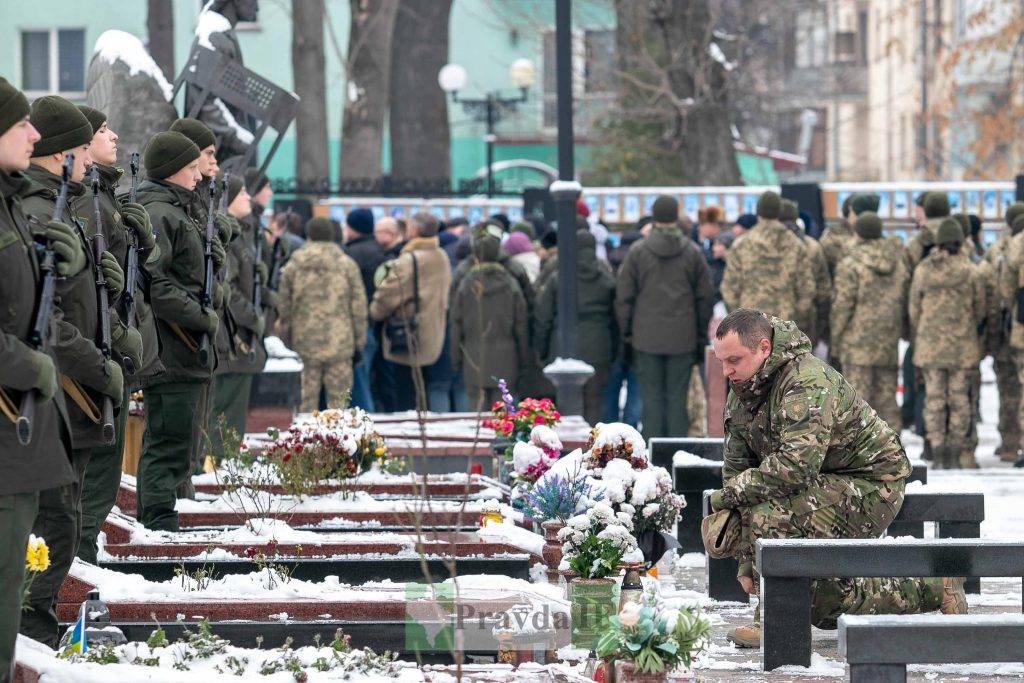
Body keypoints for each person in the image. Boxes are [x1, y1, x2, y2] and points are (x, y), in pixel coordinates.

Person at [708, 308, 966, 649]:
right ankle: (936, 588)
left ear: (764, 348)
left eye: (734, 361)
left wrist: (725, 498)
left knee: (772, 512)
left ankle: (771, 619)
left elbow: (795, 467)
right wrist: (746, 557)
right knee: (823, 602)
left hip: (872, 482)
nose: (727, 371)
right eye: (721, 361)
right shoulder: (743, 391)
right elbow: (737, 471)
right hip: (817, 483)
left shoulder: (806, 381)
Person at [18, 96, 125, 646]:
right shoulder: (39, 214)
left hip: (66, 393)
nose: (89, 156)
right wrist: (100, 366)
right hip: (52, 394)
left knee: (64, 515)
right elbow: (46, 319)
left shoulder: (61, 205)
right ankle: (30, 643)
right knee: (53, 522)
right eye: (82, 146)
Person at [0, 77, 78, 677]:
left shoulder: (10, 201)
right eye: (21, 122)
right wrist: (32, 365)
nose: (34, 133)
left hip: (18, 435)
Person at [75, 105, 162, 565]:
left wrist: (142, 239)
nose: (114, 135)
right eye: (103, 130)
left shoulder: (105, 196)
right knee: (95, 469)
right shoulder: (87, 201)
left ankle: (83, 555)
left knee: (104, 470)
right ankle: (80, 562)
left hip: (114, 341)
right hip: (98, 347)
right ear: (80, 144)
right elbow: (90, 286)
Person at [134, 131, 219, 531]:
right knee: (167, 441)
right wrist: (201, 317)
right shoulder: (161, 213)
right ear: (171, 171)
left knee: (179, 441)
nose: (197, 175)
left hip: (184, 347)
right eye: (190, 168)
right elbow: (156, 284)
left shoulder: (177, 208)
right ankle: (157, 521)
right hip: (171, 346)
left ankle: (163, 515)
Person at [616, 195, 714, 438]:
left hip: (645, 337)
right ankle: (676, 456)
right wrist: (699, 335)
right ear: (675, 216)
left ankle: (653, 457)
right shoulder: (692, 252)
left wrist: (627, 333)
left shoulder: (638, 252)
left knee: (651, 400)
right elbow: (705, 297)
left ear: (655, 216)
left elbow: (624, 297)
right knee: (677, 399)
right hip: (683, 337)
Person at [910, 219, 986, 469]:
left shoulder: (924, 270)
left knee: (934, 399)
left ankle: (938, 450)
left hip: (930, 348)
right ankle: (956, 451)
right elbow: (981, 309)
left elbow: (914, 309)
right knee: (959, 399)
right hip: (963, 348)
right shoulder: (972, 271)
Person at [276, 217, 366, 412]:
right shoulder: (347, 264)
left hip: (303, 341)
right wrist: (359, 342)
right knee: (339, 405)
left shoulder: (295, 264)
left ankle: (304, 441)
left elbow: (283, 306)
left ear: (309, 235)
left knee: (304, 403)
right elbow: (358, 307)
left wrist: (285, 337)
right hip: (340, 342)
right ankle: (337, 441)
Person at [830, 212, 909, 431]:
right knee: (888, 401)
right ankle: (892, 454)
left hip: (856, 342)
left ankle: (858, 457)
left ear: (858, 233)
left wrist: (835, 340)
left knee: (856, 403)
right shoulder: (898, 261)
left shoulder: (850, 263)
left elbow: (843, 306)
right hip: (887, 340)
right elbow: (905, 298)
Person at [208, 174, 266, 460]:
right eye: (241, 192)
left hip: (238, 336)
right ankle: (219, 467)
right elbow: (227, 289)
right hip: (230, 336)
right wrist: (254, 317)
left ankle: (225, 461)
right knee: (225, 413)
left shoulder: (241, 233)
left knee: (232, 413)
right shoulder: (228, 235)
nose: (248, 197)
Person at [369, 212, 451, 410]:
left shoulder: (409, 260)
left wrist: (374, 311)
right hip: (435, 331)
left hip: (408, 335)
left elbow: (388, 295)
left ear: (414, 230)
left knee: (405, 392)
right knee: (426, 389)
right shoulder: (441, 256)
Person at [535, 230, 617, 424]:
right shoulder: (605, 277)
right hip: (598, 344)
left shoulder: (559, 276)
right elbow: (616, 317)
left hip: (563, 343)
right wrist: (614, 350)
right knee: (594, 401)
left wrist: (541, 349)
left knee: (564, 402)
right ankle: (593, 446)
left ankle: (565, 447)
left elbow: (543, 316)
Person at [449, 224, 530, 408]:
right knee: (505, 414)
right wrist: (525, 358)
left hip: (473, 355)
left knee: (476, 414)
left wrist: (455, 358)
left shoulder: (465, 282)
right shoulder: (511, 283)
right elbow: (521, 324)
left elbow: (456, 322)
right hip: (508, 357)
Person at [720, 191, 815, 331]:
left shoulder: (741, 244)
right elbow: (807, 288)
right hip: (785, 325)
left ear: (758, 211)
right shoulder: (796, 245)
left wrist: (739, 319)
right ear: (779, 211)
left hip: (749, 326)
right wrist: (796, 317)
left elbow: (729, 288)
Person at [986, 202, 1024, 461]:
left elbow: (1006, 290)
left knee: (1014, 387)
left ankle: (1014, 444)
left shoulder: (1013, 246)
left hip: (1018, 326)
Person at [343, 208, 387, 412]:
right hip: (377, 322)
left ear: (354, 228)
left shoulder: (351, 255)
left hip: (358, 324)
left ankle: (364, 423)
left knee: (358, 381)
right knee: (368, 377)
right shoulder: (381, 251)